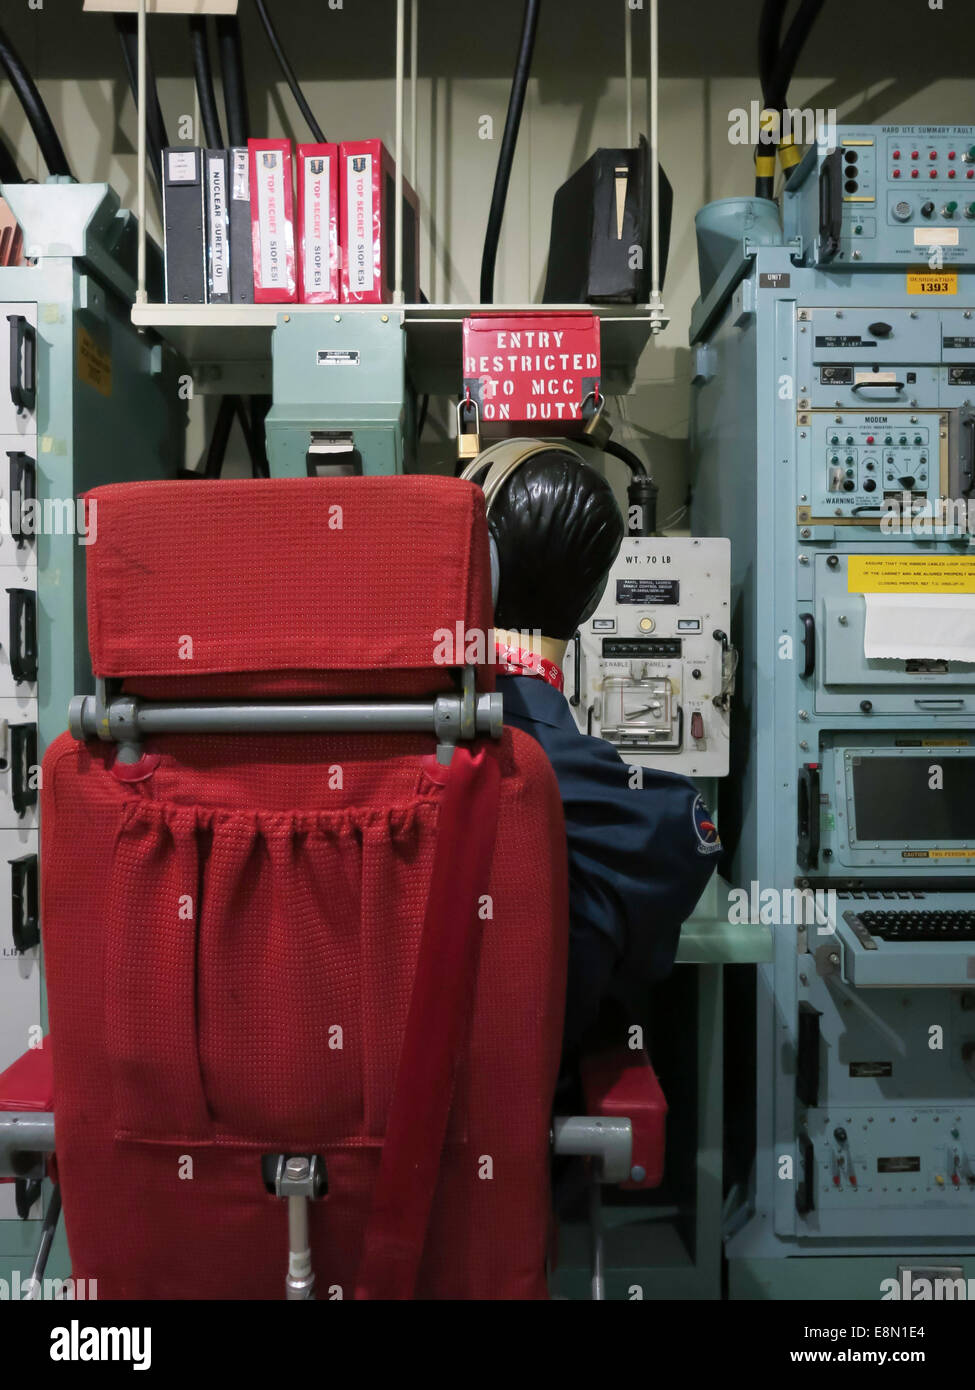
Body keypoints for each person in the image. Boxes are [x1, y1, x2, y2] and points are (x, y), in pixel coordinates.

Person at [475, 444, 720, 1063]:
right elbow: (644, 958)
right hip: (526, 1121)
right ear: (591, 604)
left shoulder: (380, 749)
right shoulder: (638, 813)